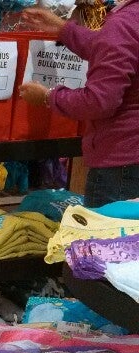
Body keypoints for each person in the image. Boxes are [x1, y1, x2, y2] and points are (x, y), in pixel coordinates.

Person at [17, 3, 139, 207]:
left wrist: (48, 96)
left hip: (120, 163)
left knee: (107, 227)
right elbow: (112, 48)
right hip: (128, 160)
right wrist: (63, 29)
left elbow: (99, 102)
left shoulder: (123, 25)